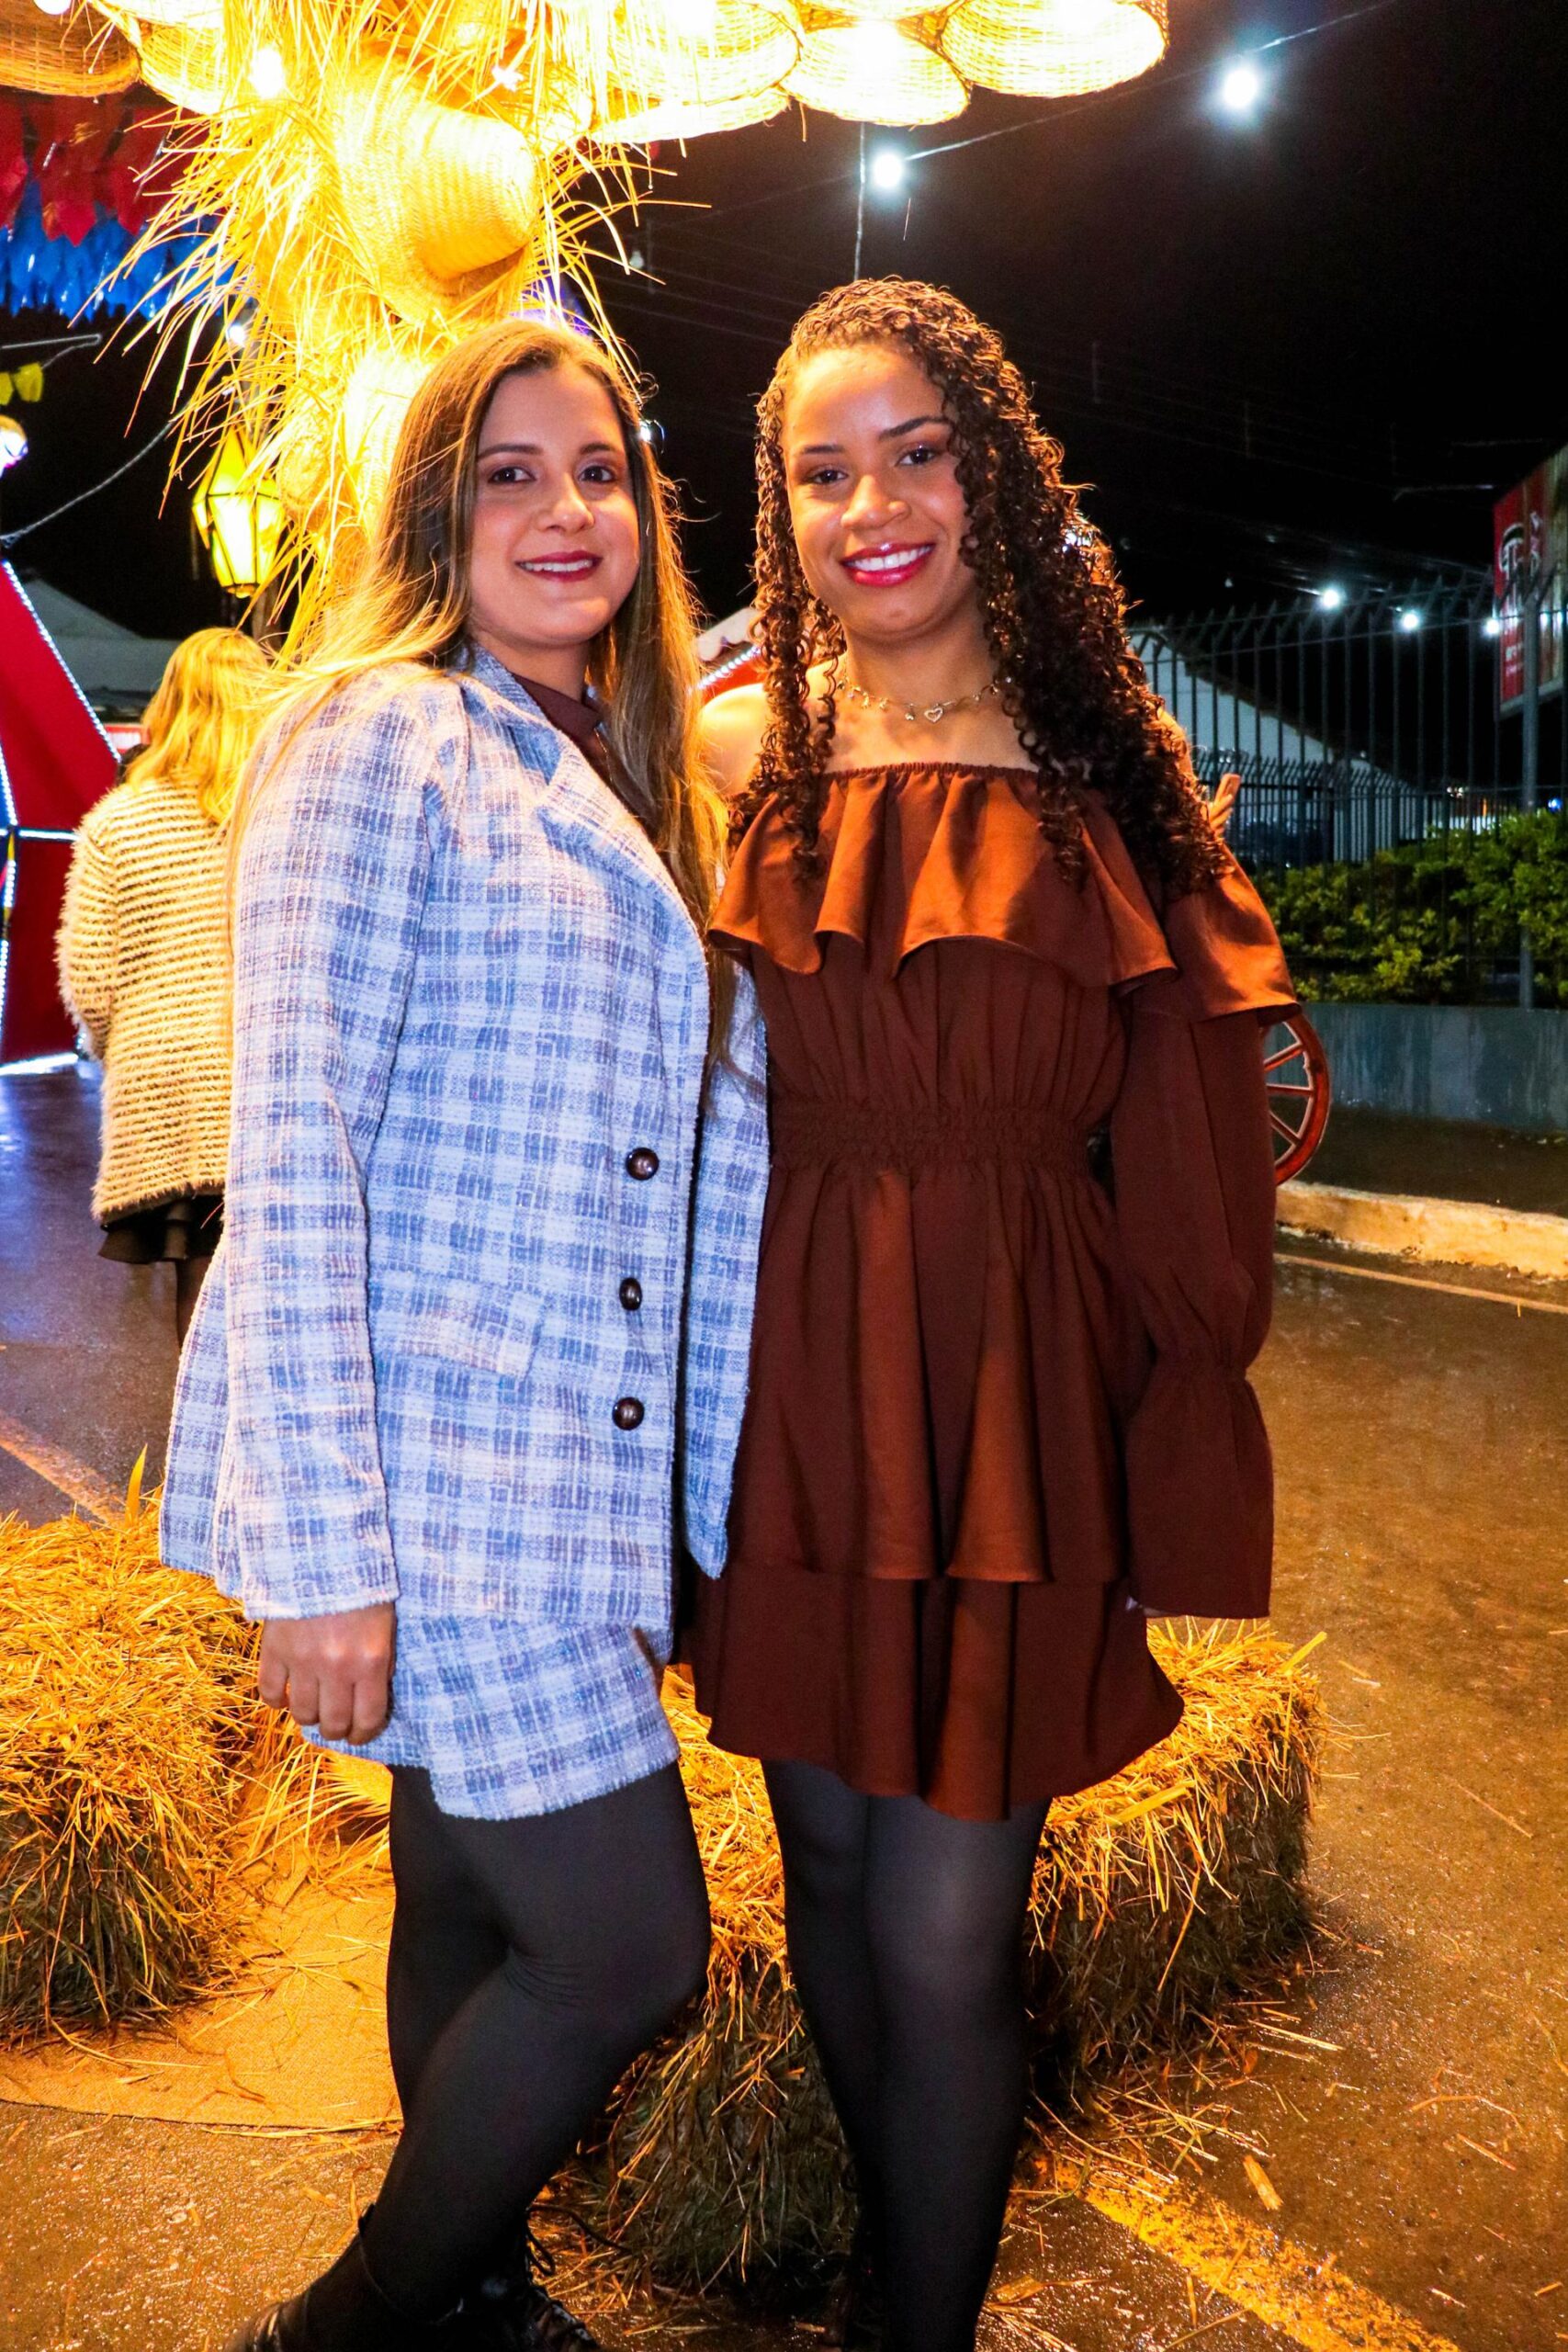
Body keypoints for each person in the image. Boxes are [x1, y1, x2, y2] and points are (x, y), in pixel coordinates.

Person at [684, 278, 1296, 2352]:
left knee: (949, 1931)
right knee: (834, 1887)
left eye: (916, 454)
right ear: (780, 510)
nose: (872, 508)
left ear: (993, 478)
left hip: (1020, 1399)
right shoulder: (734, 755)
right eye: (822, 472)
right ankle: (894, 2261)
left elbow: (1188, 1152)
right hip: (791, 1381)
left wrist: (1165, 1434)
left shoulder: (1107, 762)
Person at [160, 316, 767, 2352]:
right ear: (434, 513)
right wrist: (320, 1550)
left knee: (459, 1885)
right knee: (626, 1945)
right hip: (441, 1478)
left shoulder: (624, 766)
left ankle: (474, 2292)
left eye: (596, 471)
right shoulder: (377, 734)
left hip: (573, 1475)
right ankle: (348, 2324)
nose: (562, 511)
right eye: (506, 474)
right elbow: (293, 1143)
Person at [56, 627, 270, 1341]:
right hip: (271, 1066)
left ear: (169, 704)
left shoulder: (119, 823)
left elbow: (91, 977)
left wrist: (123, 1050)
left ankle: (199, 1413)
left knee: (200, 1273)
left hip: (166, 1082)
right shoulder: (288, 810)